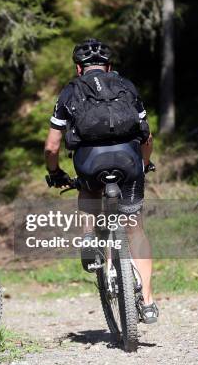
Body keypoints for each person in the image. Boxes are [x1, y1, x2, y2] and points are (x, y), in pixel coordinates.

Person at [43, 38, 158, 323]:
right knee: (135, 230)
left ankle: (89, 237)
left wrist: (56, 174)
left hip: (90, 163)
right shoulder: (127, 87)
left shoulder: (70, 92)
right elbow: (147, 136)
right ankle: (148, 302)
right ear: (109, 66)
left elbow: (52, 146)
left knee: (88, 191)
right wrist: (144, 164)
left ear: (79, 69)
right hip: (129, 162)